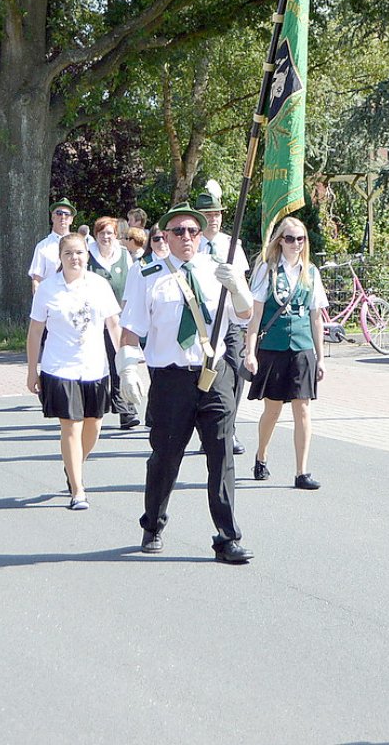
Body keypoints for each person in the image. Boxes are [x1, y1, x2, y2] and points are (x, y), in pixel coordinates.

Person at [118, 201, 255, 564]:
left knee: (222, 456)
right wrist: (129, 367)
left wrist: (238, 288)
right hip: (171, 380)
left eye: (193, 231)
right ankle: (153, 523)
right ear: (165, 236)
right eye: (178, 231)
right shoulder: (147, 275)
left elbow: (243, 315)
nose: (187, 237)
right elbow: (131, 329)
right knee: (165, 459)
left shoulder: (217, 270)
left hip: (216, 374)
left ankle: (227, 537)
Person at [26, 233, 121, 511]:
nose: (74, 258)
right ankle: (78, 490)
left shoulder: (99, 285)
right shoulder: (48, 289)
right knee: (71, 425)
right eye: (68, 253)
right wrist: (33, 370)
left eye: (79, 252)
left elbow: (113, 324)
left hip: (95, 366)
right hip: (60, 367)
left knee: (94, 425)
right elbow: (35, 331)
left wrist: (126, 363)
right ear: (60, 257)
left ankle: (74, 465)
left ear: (87, 255)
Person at [243, 216, 326, 489]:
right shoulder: (266, 270)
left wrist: (321, 356)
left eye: (300, 239)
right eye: (290, 238)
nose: (295, 244)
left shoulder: (310, 272)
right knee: (273, 409)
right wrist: (250, 351)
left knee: (303, 408)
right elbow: (255, 316)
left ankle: (302, 471)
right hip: (274, 347)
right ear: (280, 240)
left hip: (302, 348)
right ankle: (261, 455)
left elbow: (316, 318)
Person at [194, 183, 249, 455]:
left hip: (228, 320)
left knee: (236, 371)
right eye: (208, 214)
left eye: (217, 214)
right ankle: (205, 431)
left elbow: (242, 282)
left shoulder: (231, 244)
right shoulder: (191, 244)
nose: (213, 219)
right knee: (202, 375)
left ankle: (229, 428)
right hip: (202, 321)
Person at [87, 216, 139, 430]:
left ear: (115, 235)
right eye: (101, 233)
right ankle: (93, 406)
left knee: (121, 360)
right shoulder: (88, 255)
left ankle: (126, 410)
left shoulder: (125, 255)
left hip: (119, 318)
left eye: (109, 233)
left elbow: (133, 283)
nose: (106, 237)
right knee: (98, 364)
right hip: (93, 321)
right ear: (96, 235)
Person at [27, 197, 76, 292]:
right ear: (52, 217)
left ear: (71, 220)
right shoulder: (42, 246)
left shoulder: (79, 245)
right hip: (51, 300)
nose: (63, 217)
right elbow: (36, 280)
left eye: (67, 214)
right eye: (59, 213)